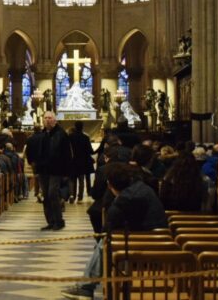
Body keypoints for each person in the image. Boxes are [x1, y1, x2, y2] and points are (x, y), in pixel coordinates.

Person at [62, 163, 167, 300]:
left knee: (104, 243)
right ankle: (85, 285)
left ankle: (86, 287)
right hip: (160, 239)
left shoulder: (126, 198)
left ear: (110, 184)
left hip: (148, 245)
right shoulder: (142, 188)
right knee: (105, 242)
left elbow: (108, 227)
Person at [35, 111, 71, 231]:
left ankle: (59, 221)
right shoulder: (42, 134)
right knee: (46, 195)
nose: (47, 120)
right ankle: (50, 221)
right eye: (45, 118)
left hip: (57, 169)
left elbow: (67, 154)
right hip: (43, 170)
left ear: (55, 120)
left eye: (50, 118)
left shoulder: (61, 134)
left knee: (52, 194)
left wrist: (67, 172)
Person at [69, 121, 95, 202]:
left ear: (75, 127)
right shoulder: (85, 138)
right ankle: (80, 197)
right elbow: (90, 151)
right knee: (81, 179)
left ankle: (72, 195)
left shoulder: (70, 137)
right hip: (82, 161)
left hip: (73, 161)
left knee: (73, 179)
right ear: (82, 127)